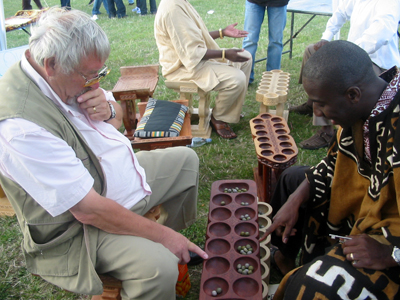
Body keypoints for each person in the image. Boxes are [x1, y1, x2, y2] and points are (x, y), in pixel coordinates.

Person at [0, 7, 207, 299]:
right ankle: (158, 260)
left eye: (100, 74)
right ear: (51, 64)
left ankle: (155, 240)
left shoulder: (65, 78)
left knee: (186, 162)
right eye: (89, 77)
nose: (95, 84)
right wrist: (164, 237)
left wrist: (109, 108)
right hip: (78, 230)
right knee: (158, 268)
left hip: (112, 184)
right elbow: (87, 209)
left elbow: (115, 120)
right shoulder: (20, 126)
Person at [264, 40, 400, 299]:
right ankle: (285, 256)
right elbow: (337, 161)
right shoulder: (367, 102)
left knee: (312, 288)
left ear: (352, 95)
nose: (317, 112)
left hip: (390, 234)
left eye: (320, 104)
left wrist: (390, 253)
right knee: (292, 180)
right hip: (366, 203)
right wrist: (294, 199)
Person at [290, 0, 400, 150]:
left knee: (332, 76)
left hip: (377, 63)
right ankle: (312, 104)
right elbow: (340, 13)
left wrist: (344, 54)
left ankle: (326, 132)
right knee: (312, 51)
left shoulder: (390, 3)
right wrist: (326, 37)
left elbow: (379, 35)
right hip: (351, 54)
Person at [154, 0, 252, 139]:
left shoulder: (180, 2)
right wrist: (224, 54)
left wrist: (221, 32)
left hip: (194, 60)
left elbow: (193, 38)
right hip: (182, 67)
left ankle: (230, 111)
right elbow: (192, 53)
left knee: (245, 57)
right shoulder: (173, 8)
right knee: (237, 78)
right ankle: (218, 118)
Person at [242, 0, 289, 84]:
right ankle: (246, 78)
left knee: (276, 41)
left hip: (279, 2)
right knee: (249, 40)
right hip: (254, 2)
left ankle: (273, 78)